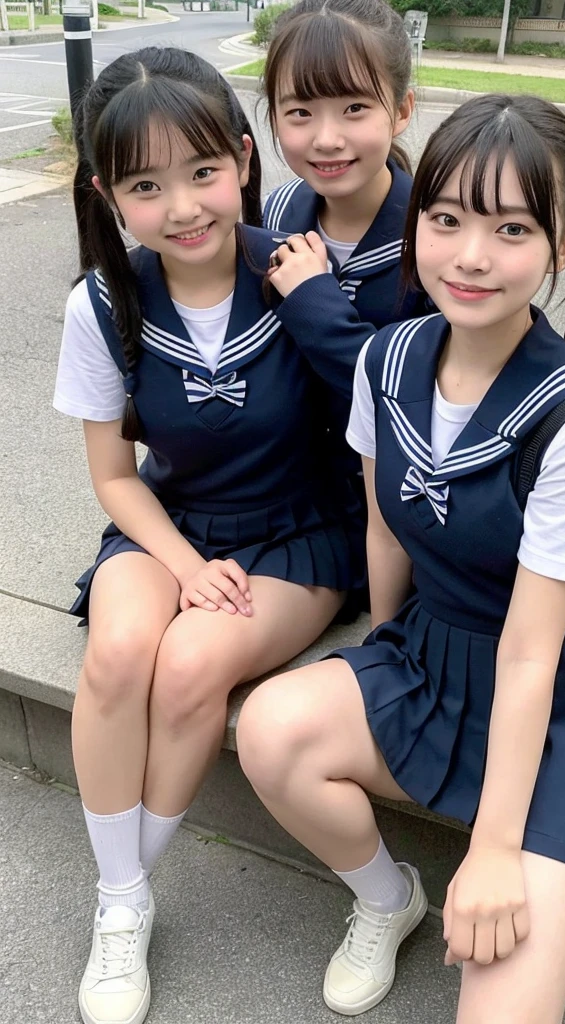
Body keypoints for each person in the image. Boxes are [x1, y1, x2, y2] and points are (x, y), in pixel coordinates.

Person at [236, 93, 565, 1023]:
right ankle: (391, 902)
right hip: (431, 651)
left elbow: (532, 650)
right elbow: (387, 524)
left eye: (512, 228)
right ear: (416, 219)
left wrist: (495, 849)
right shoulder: (389, 356)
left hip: (552, 710)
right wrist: (384, 652)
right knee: (271, 732)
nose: (470, 256)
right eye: (447, 218)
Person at [53, 46, 363, 1024]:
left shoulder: (296, 271)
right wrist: (185, 566)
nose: (182, 206)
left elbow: (376, 415)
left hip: (293, 531)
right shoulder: (103, 303)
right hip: (170, 524)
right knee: (120, 651)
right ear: (108, 193)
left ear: (240, 158)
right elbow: (112, 475)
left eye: (201, 172)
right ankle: (123, 907)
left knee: (188, 667)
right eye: (146, 185)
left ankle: (120, 893)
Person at [260, 0, 429, 527]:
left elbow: (416, 400)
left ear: (401, 110)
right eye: (300, 113)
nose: (326, 138)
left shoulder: (435, 238)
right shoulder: (279, 212)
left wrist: (315, 300)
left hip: (393, 514)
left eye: (354, 108)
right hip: (277, 492)